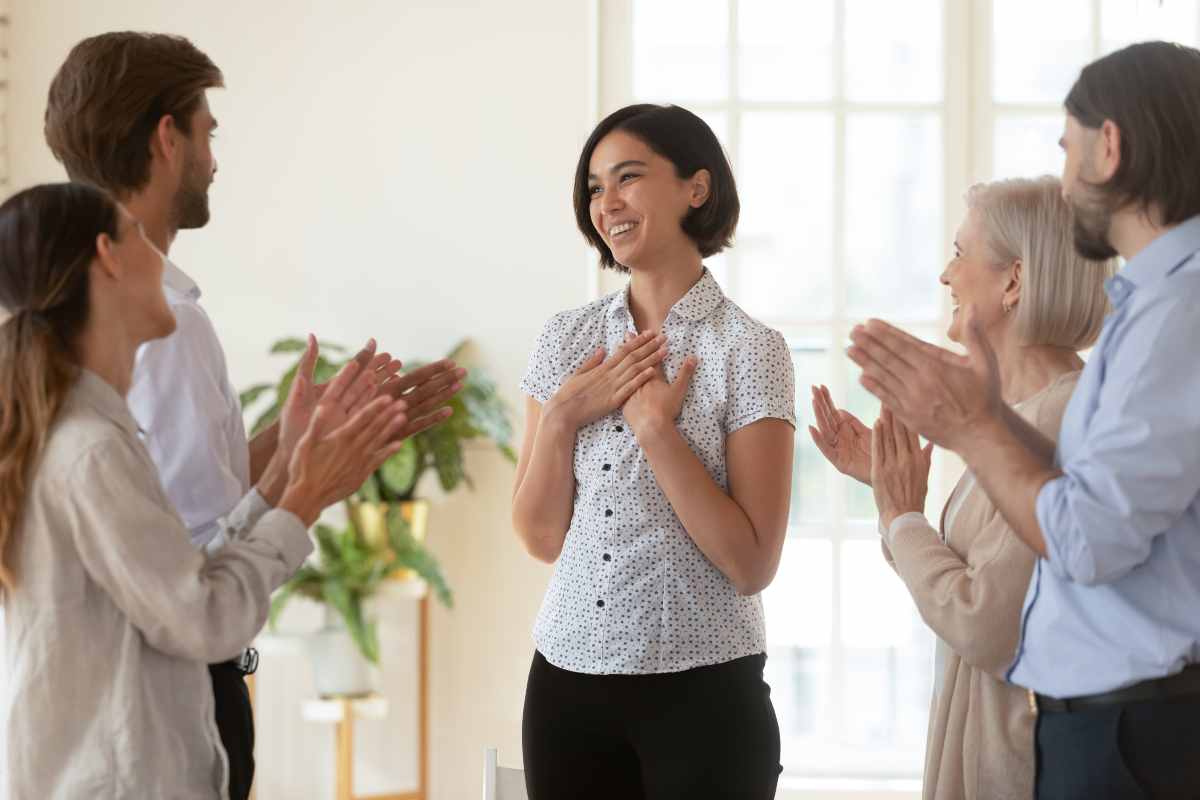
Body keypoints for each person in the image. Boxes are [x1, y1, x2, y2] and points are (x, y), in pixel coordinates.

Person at [42, 32, 466, 799]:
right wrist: (309, 484)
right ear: (166, 140)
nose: (214, 159)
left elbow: (175, 499)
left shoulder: (89, 324)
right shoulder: (160, 323)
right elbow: (200, 568)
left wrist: (307, 439)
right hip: (169, 699)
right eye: (207, 133)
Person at [847, 41, 1200, 798]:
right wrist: (967, 422)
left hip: (1129, 735)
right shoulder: (1156, 304)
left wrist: (970, 433)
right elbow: (1083, 479)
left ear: (1110, 148)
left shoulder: (1179, 309)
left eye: (1067, 148)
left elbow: (1087, 537)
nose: (1064, 181)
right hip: (1112, 728)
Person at [0, 182, 410, 798]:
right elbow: (205, 619)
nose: (164, 260)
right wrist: (303, 496)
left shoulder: (88, 435)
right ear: (108, 258)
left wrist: (281, 477)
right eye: (136, 235)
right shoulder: (89, 450)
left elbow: (176, 592)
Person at [511, 104, 795, 799]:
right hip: (565, 688)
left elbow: (751, 563)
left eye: (628, 178)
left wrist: (658, 434)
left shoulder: (749, 350)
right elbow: (540, 537)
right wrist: (561, 421)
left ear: (695, 189)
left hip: (704, 694)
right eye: (594, 187)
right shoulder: (565, 340)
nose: (607, 203)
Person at [811, 176, 1114, 800]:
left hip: (1023, 766)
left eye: (959, 251)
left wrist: (903, 517)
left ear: (1013, 281)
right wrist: (891, 493)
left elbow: (983, 623)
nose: (946, 275)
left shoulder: (1065, 418)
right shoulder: (1021, 413)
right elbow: (964, 589)